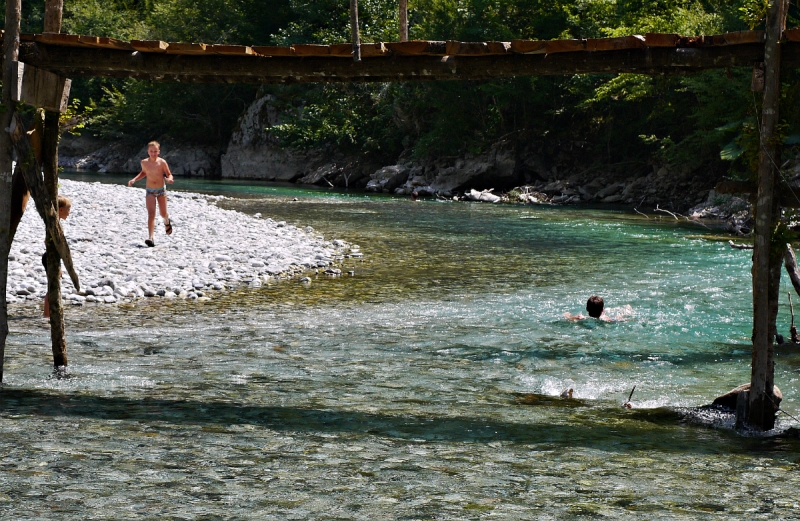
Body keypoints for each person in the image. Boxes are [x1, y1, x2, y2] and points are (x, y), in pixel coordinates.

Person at [128, 141, 174, 247]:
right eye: (151, 151)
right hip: (150, 191)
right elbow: (144, 172)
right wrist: (134, 179)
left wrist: (170, 179)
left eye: (155, 151)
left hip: (161, 190)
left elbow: (169, 174)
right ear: (148, 151)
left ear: (159, 151)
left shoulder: (162, 162)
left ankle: (166, 221)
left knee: (163, 213)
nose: (153, 153)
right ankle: (151, 237)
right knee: (151, 214)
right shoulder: (144, 162)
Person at [43, 195, 72, 318]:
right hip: (50, 258)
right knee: (53, 286)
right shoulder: (55, 225)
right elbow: (47, 241)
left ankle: (48, 314)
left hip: (52, 257)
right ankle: (47, 316)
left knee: (54, 285)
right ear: (60, 210)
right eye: (68, 209)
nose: (69, 213)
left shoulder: (56, 223)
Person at [564, 295, 632, 322]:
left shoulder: (581, 318)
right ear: (602, 310)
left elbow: (567, 316)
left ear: (587, 309)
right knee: (619, 316)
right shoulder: (606, 319)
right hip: (604, 318)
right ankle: (627, 309)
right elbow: (623, 320)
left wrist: (567, 314)